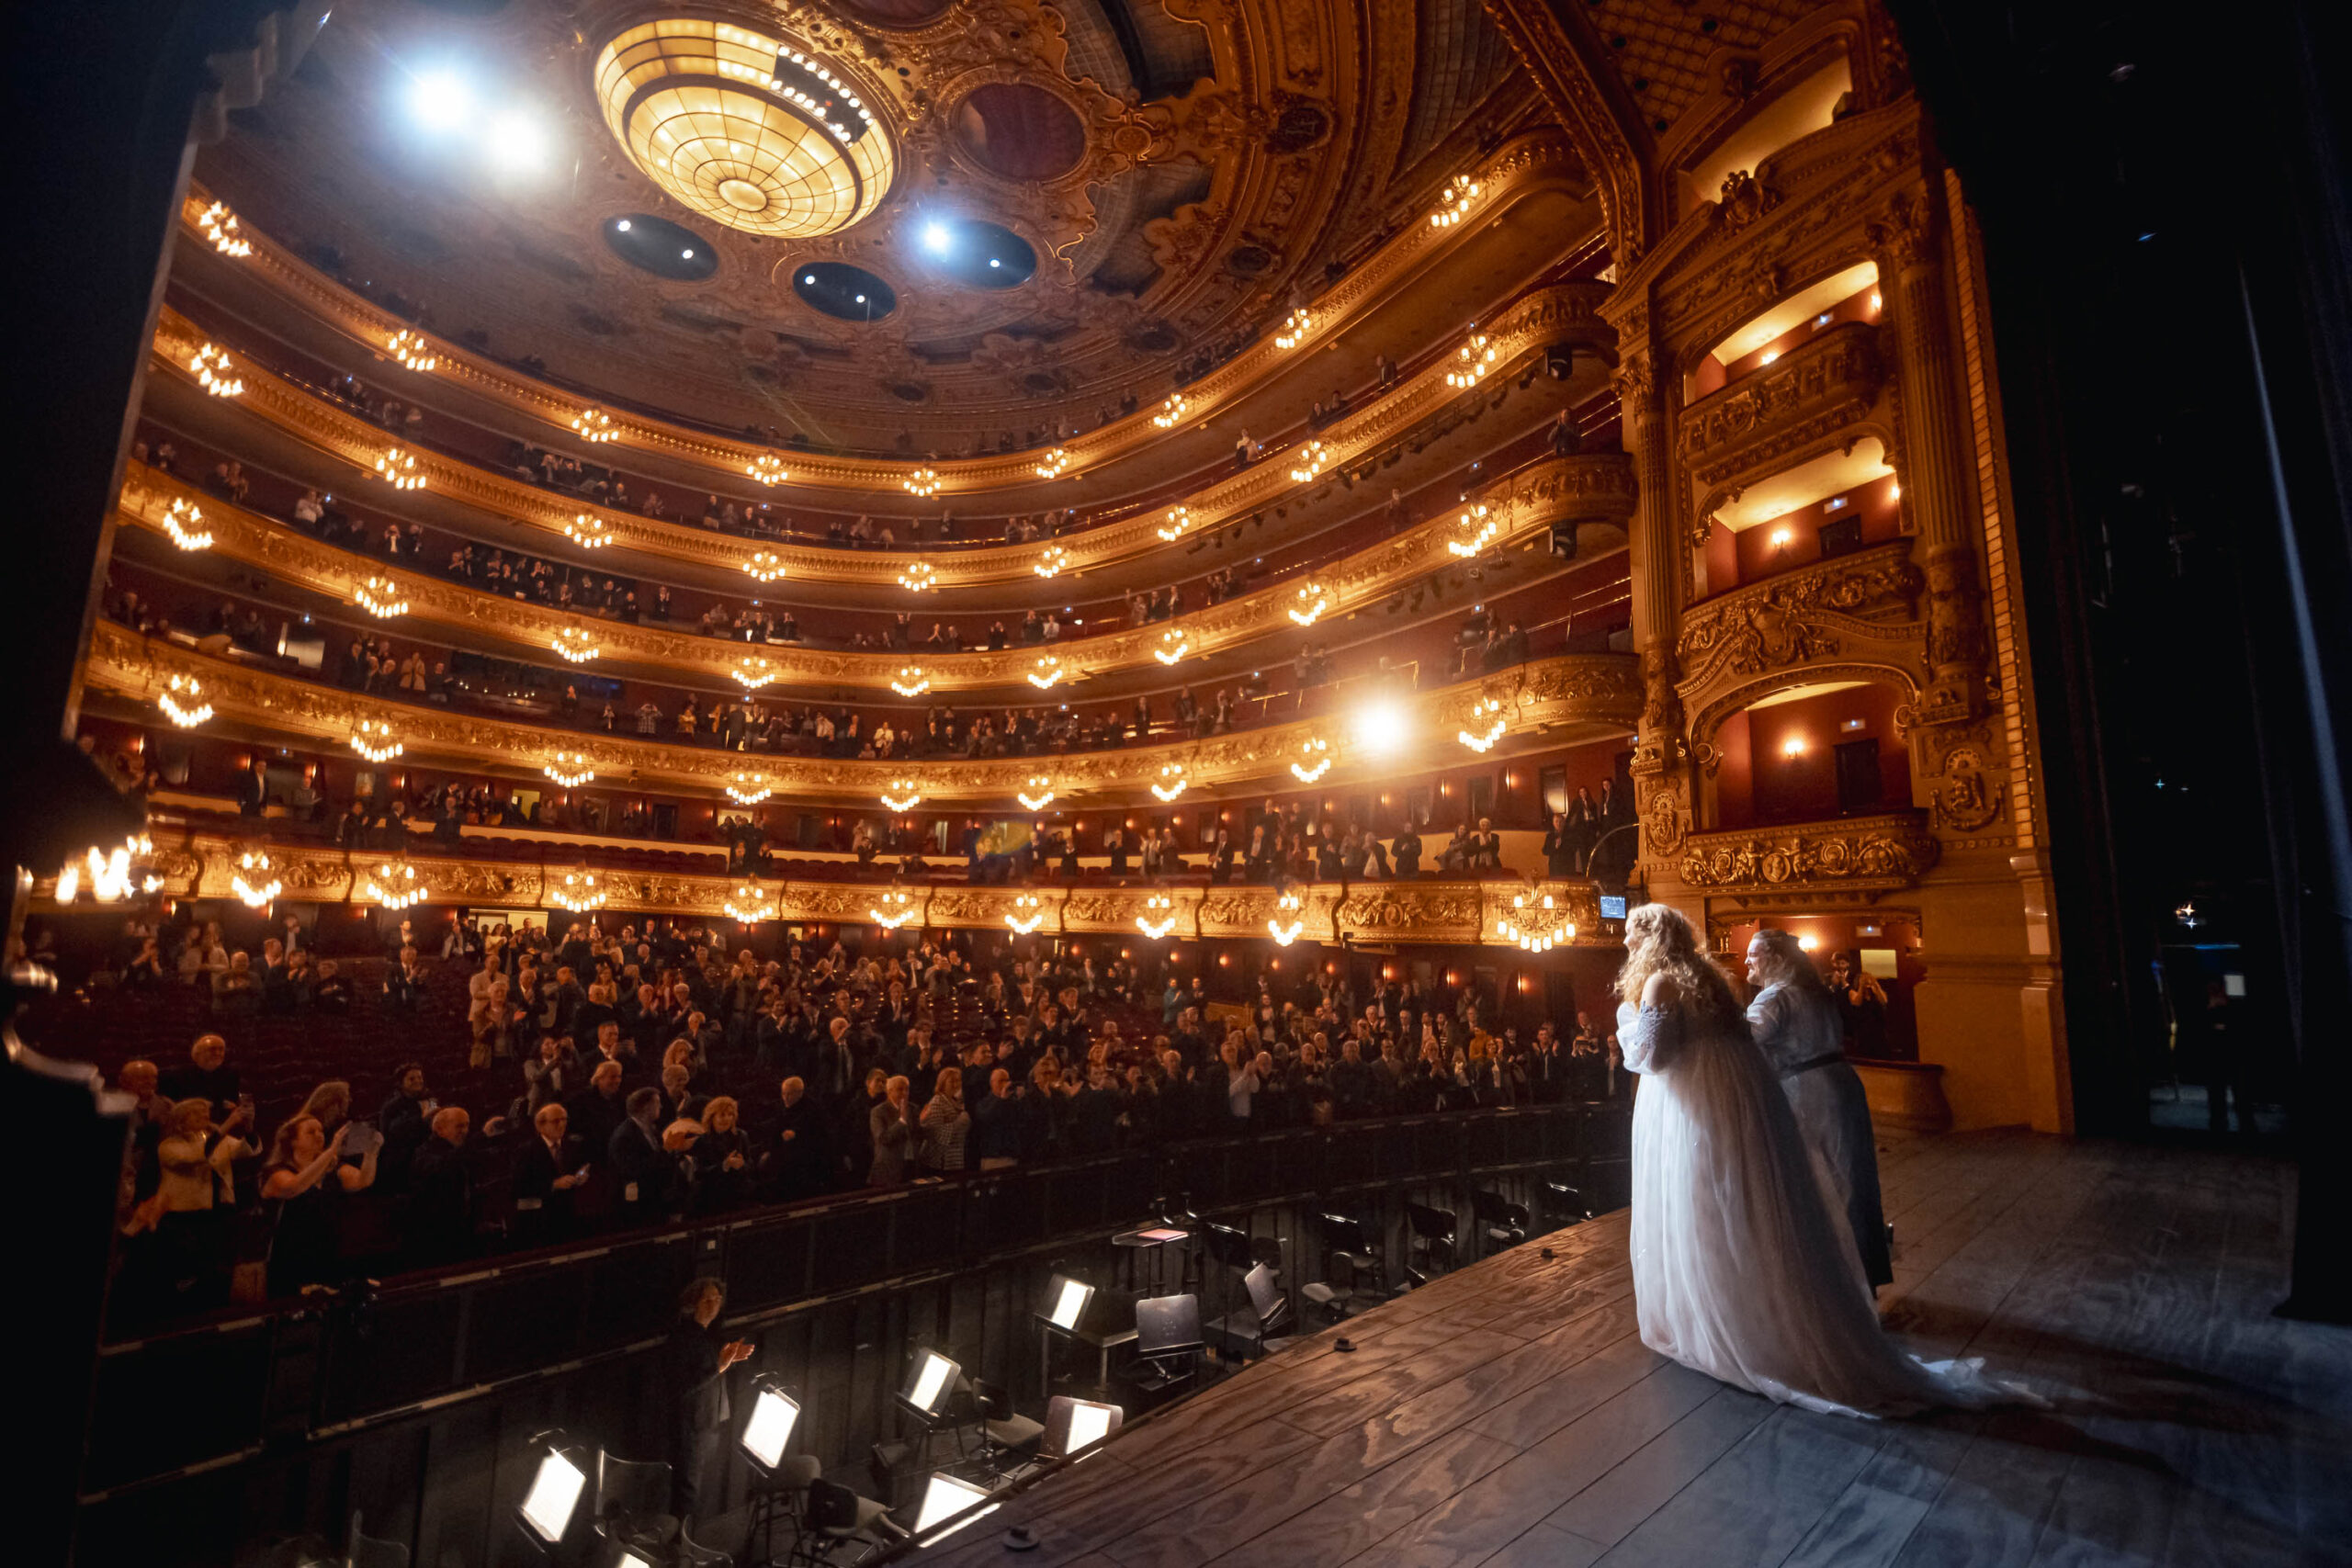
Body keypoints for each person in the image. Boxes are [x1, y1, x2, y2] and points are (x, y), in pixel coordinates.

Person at [1615, 905, 2030, 1416]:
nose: (1628, 947)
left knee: (1704, 1205)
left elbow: (1652, 1057)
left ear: (1653, 940)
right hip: (1734, 1102)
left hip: (1694, 1108)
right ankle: (1759, 1310)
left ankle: (1718, 1321)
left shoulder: (1659, 983)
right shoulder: (1710, 979)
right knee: (1747, 1205)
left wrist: (1626, 1023)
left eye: (1633, 938)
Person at [1745, 931, 1893, 1291]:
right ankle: (1863, 1275)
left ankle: (1831, 1282)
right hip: (1842, 1083)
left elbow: (1742, 1046)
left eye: (1753, 954)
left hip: (1807, 1092)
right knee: (1851, 1178)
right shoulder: (1817, 993)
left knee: (1818, 1180)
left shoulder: (1776, 997)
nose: (1747, 961)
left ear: (1774, 958)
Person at [666, 1278, 752, 1520]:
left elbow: (709, 1372)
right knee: (687, 1494)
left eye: (717, 1299)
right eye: (707, 1300)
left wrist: (726, 1361)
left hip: (707, 1425)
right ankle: (678, 1549)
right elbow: (683, 1385)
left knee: (699, 1493)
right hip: (692, 1428)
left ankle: (687, 1542)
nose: (713, 1305)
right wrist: (720, 1365)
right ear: (692, 1304)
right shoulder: (682, 1338)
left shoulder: (705, 1336)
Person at [868, 1075, 914, 1186]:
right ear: (889, 1091)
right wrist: (902, 1121)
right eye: (900, 1089)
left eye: (907, 1089)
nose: (904, 1093)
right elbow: (883, 1138)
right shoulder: (878, 1112)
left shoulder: (913, 1108)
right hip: (888, 1169)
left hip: (911, 1166)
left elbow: (917, 1135)